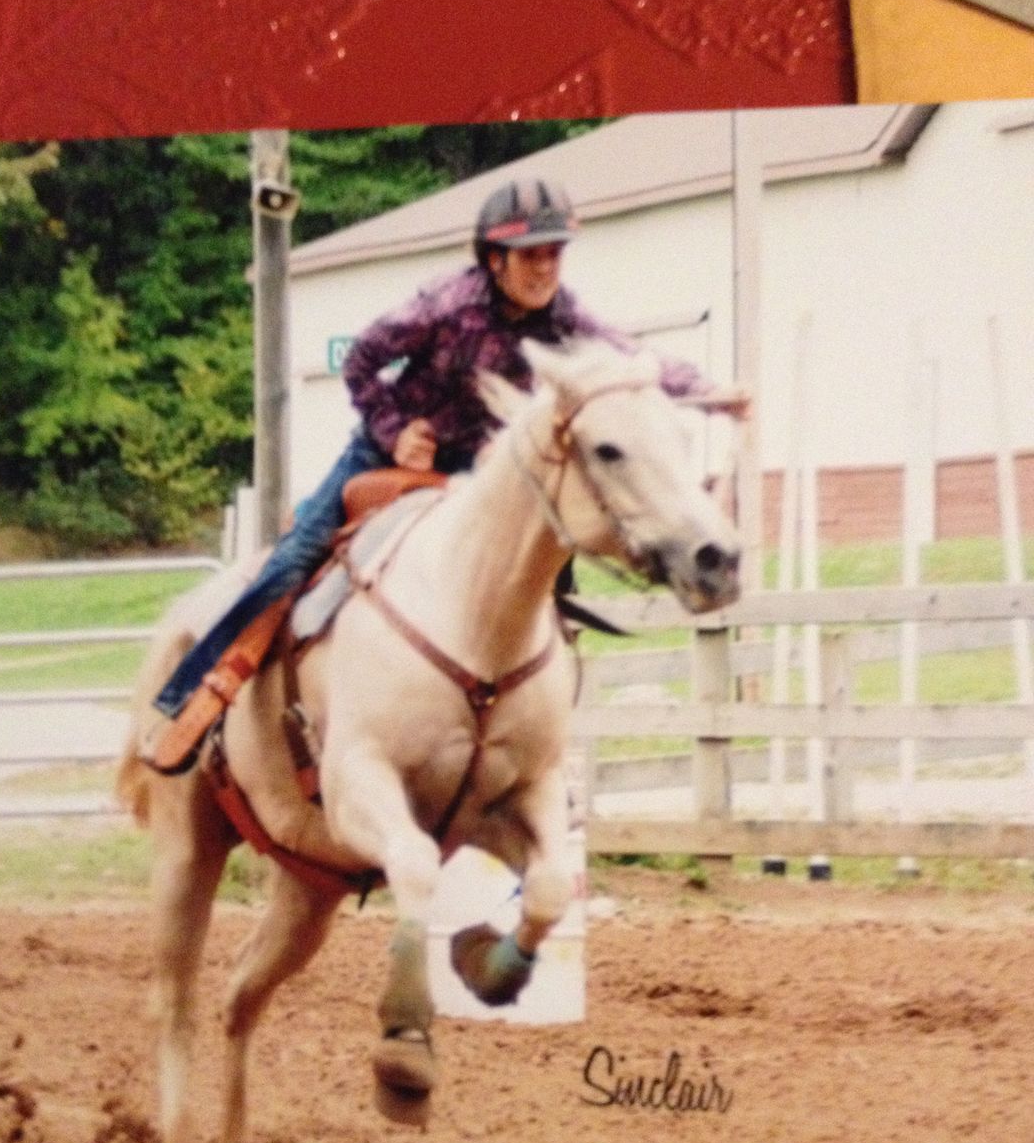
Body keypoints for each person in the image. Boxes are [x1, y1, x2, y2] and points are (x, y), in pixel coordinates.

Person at [148, 177, 742, 772]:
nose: (544, 269)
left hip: (480, 466)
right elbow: (361, 359)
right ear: (494, 260)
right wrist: (396, 431)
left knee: (541, 568)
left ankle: (525, 727)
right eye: (530, 256)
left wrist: (710, 391)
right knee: (294, 558)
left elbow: (628, 357)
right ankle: (195, 698)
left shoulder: (564, 313)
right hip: (387, 454)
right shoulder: (445, 303)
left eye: (554, 254)